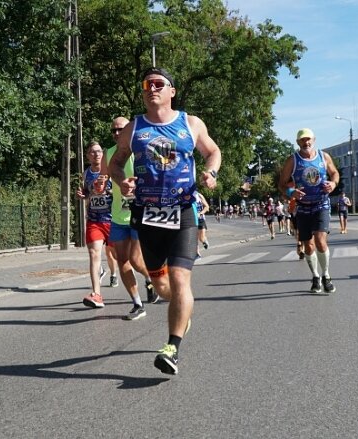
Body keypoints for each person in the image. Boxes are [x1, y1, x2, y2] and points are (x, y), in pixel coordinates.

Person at [109, 67, 221, 375]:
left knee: (181, 279)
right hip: (147, 214)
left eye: (159, 84)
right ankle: (182, 311)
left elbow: (213, 152)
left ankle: (172, 346)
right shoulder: (135, 127)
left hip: (183, 211)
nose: (152, 88)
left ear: (171, 91)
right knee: (160, 285)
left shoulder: (190, 123)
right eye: (147, 84)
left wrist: (210, 173)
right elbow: (115, 163)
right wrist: (122, 182)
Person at [100, 116, 157, 320]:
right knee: (121, 260)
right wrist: (93, 189)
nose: (116, 134)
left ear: (130, 130)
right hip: (117, 215)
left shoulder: (141, 151)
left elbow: (156, 175)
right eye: (113, 130)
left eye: (120, 130)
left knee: (135, 259)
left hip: (140, 213)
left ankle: (150, 278)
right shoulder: (108, 154)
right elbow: (103, 180)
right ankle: (137, 303)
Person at [279, 128, 340, 294]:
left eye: (308, 140)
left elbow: (334, 173)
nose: (306, 143)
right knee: (308, 245)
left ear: (314, 140)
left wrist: (333, 184)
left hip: (321, 203)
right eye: (302, 140)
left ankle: (326, 275)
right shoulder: (293, 160)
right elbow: (282, 184)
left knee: (320, 240)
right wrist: (292, 192)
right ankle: (315, 277)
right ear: (298, 142)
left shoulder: (323, 156)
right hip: (303, 206)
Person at [77, 141, 116, 308]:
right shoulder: (86, 174)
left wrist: (106, 190)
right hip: (94, 220)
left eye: (99, 151)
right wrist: (83, 195)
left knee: (118, 257)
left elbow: (123, 190)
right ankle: (97, 294)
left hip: (114, 219)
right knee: (94, 254)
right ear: (88, 156)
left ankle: (145, 280)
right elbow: (87, 193)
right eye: (92, 152)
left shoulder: (112, 170)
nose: (96, 154)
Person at [195, 191, 210, 257]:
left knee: (201, 238)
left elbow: (207, 207)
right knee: (193, 237)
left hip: (200, 219)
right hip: (191, 219)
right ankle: (197, 253)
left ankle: (204, 241)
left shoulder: (199, 195)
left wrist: (200, 213)